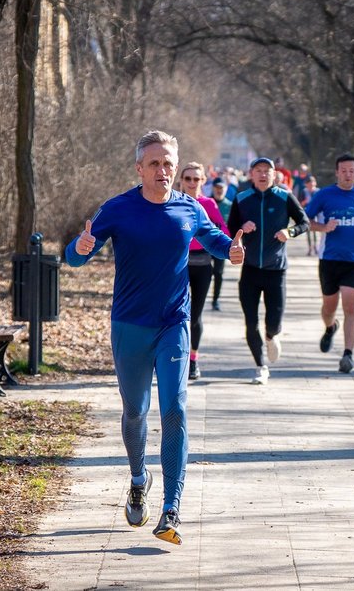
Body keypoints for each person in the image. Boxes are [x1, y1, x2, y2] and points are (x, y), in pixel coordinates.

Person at [65, 130, 245, 546]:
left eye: (168, 163)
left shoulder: (190, 207)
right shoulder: (119, 208)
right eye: (154, 164)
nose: (163, 171)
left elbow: (216, 241)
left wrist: (231, 251)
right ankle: (137, 477)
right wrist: (81, 244)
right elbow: (74, 257)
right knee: (134, 412)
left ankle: (171, 506)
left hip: (173, 323)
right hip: (130, 326)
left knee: (175, 409)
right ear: (139, 169)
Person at [227, 157, 309, 384]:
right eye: (258, 171)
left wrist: (289, 233)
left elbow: (304, 222)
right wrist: (241, 228)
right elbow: (230, 227)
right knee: (250, 322)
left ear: (275, 175)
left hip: (276, 270)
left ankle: (272, 336)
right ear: (251, 174)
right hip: (250, 270)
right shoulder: (242, 199)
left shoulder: (284, 196)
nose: (263, 174)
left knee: (273, 322)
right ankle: (260, 365)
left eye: (267, 171)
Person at [304, 153, 354, 374]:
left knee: (350, 305)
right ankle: (330, 327)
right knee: (329, 307)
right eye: (344, 171)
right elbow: (305, 221)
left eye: (352, 171)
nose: (348, 175)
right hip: (329, 259)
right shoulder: (325, 195)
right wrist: (323, 227)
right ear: (337, 172)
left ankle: (348, 355)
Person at [178, 162, 230, 380]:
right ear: (180, 181)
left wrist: (232, 246)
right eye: (188, 179)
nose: (192, 183)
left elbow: (223, 231)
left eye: (196, 179)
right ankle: (171, 358)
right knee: (175, 314)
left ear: (203, 181)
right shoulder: (173, 203)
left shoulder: (208, 204)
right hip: (176, 266)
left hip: (201, 265)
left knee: (196, 315)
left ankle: (192, 360)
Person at [210, 177, 233, 311]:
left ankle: (215, 299)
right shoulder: (206, 202)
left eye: (221, 188)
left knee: (218, 273)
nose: (219, 191)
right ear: (213, 188)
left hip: (221, 245)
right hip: (204, 245)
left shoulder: (230, 206)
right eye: (217, 188)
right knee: (205, 273)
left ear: (225, 189)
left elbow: (234, 225)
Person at [300, 174, 319, 256]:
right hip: (307, 214)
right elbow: (299, 203)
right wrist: (304, 202)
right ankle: (310, 248)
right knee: (308, 231)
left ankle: (315, 247)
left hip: (317, 214)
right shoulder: (304, 192)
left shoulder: (318, 192)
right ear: (306, 184)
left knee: (315, 232)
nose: (311, 185)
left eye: (313, 183)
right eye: (309, 183)